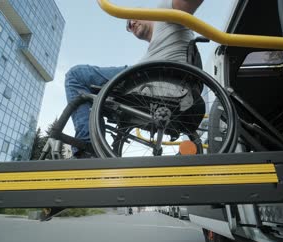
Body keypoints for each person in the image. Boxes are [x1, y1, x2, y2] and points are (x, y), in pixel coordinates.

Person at [65, 0, 204, 158]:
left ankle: (87, 145)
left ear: (147, 13)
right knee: (92, 97)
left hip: (149, 80)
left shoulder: (165, 14)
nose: (131, 24)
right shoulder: (157, 45)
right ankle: (92, 142)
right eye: (128, 26)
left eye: (132, 16)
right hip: (152, 82)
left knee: (76, 76)